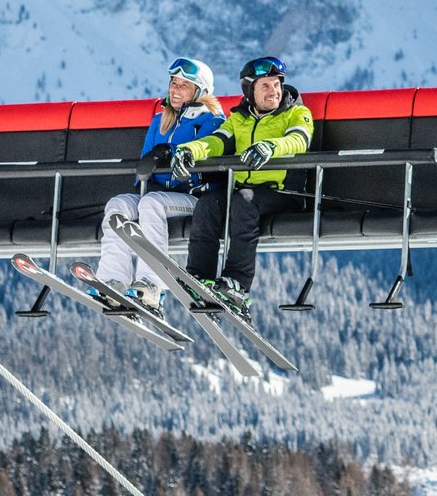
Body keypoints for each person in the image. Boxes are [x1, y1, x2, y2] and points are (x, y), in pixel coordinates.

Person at [174, 55, 313, 319]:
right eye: (265, 86)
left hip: (284, 193)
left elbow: (299, 140)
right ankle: (199, 277)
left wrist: (271, 147)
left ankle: (236, 282)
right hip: (244, 195)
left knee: (243, 200)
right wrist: (188, 151)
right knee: (208, 203)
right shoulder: (239, 119)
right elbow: (216, 142)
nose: (274, 91)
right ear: (250, 91)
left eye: (276, 85)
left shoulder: (296, 112)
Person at [95, 57, 223, 310]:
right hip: (156, 193)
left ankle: (152, 285)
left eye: (183, 85)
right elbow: (144, 164)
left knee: (152, 203)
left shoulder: (213, 121)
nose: (174, 90)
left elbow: (207, 152)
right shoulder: (160, 121)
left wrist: (171, 151)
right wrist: (143, 179)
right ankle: (113, 279)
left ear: (200, 91)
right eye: (173, 83)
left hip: (192, 197)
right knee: (118, 205)